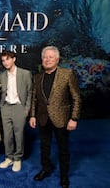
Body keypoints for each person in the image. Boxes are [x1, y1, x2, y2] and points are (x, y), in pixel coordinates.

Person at [29, 46, 81, 188]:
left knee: (63, 149)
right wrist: (32, 116)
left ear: (57, 59)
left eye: (50, 57)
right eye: (45, 57)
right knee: (44, 147)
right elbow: (34, 98)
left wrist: (74, 118)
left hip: (62, 118)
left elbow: (76, 98)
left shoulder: (67, 74)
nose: (47, 59)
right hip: (43, 118)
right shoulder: (38, 76)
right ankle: (46, 169)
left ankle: (64, 177)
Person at [0, 51, 32, 172]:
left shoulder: (25, 73)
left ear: (14, 59)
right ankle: (9, 157)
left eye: (7, 59)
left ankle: (18, 159)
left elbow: (30, 92)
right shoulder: (2, 75)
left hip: (19, 107)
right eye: (3, 60)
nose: (5, 62)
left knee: (18, 135)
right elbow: (0, 92)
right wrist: (1, 107)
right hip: (6, 107)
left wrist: (26, 109)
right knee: (7, 135)